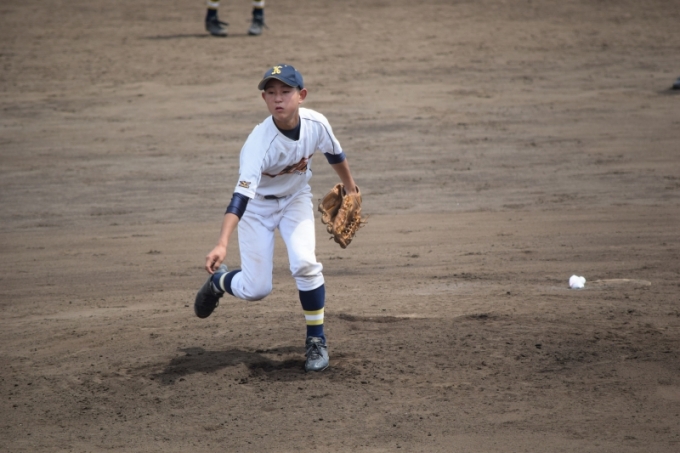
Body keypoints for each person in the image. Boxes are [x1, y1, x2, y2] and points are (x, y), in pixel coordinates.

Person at [194, 64, 359, 372]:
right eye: (271, 93)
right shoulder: (258, 143)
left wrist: (351, 188)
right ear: (264, 99)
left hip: (295, 199)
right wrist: (222, 243)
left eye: (285, 92)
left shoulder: (316, 124)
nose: (278, 98)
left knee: (305, 264)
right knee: (256, 289)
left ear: (301, 95)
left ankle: (316, 341)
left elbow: (335, 154)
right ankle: (218, 282)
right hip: (257, 208)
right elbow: (240, 198)